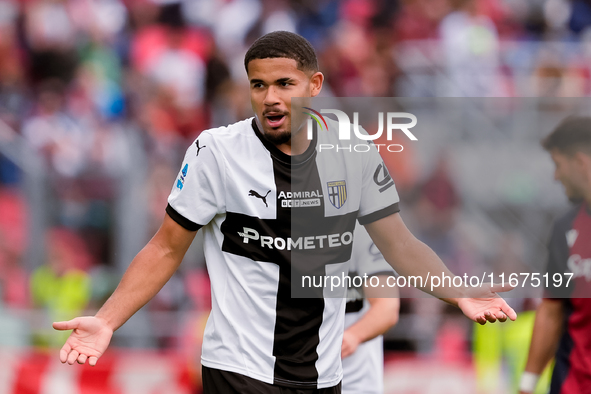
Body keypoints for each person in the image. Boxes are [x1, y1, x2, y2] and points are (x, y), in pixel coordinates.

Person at [53, 31, 516, 394]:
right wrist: (108, 319)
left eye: (283, 84)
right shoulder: (217, 152)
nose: (270, 98)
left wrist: (459, 295)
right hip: (239, 368)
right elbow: (165, 248)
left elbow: (398, 243)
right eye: (258, 85)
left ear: (314, 85)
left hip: (323, 373)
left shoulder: (353, 150)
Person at [519, 116, 591, 394]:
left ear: (580, 162)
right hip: (572, 385)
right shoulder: (565, 230)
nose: (555, 176)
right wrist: (527, 385)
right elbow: (551, 310)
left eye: (558, 165)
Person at [341, 223, 399, 394]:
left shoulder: (363, 230)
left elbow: (387, 307)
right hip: (291, 379)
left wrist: (352, 336)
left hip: (354, 384)